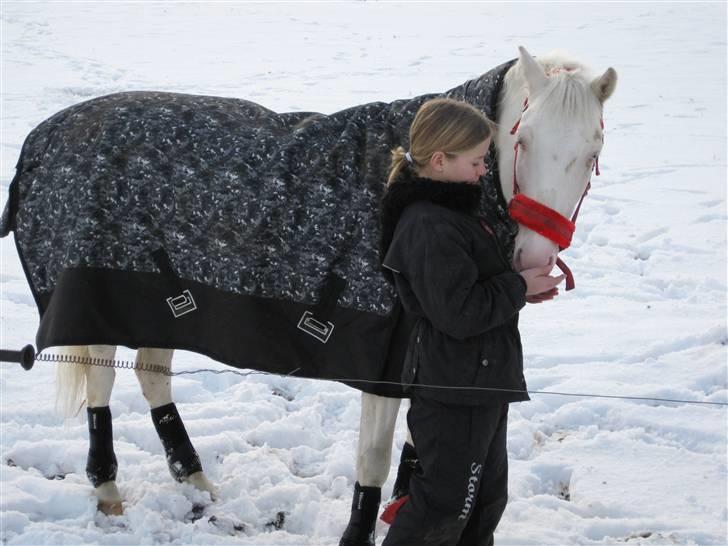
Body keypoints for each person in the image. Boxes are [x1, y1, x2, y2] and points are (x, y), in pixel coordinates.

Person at [379, 98, 564, 546]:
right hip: (452, 390)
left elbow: (470, 290)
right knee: (444, 506)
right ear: (440, 161)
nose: (484, 170)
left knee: (483, 502)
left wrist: (518, 290)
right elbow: (457, 313)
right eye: (477, 160)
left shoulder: (452, 212)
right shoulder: (428, 226)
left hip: (478, 384)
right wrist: (516, 289)